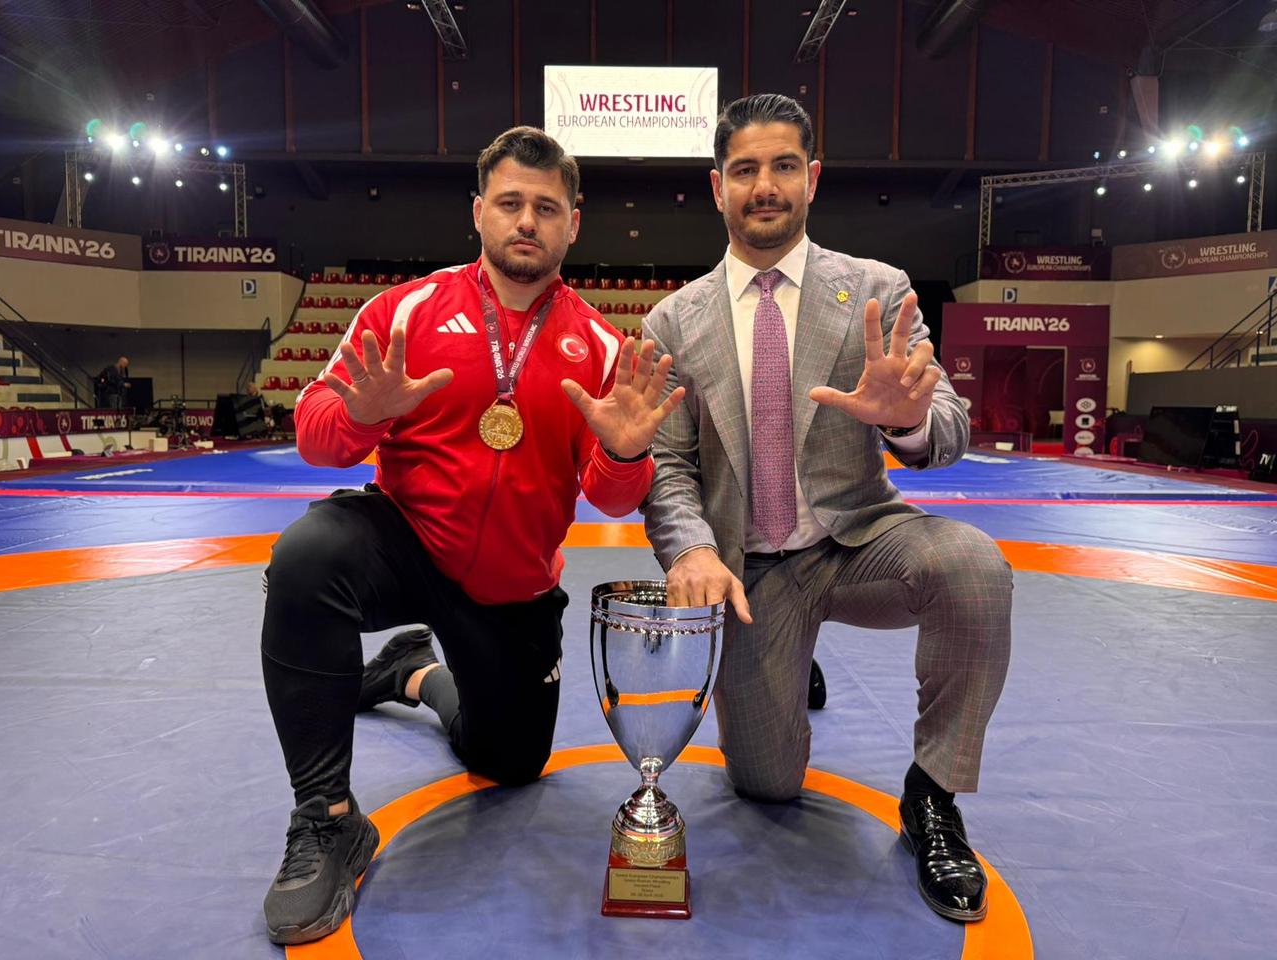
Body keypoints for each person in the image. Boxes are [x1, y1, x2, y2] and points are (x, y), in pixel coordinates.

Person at [259, 126, 684, 945]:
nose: (528, 221)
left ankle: (411, 674)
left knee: (510, 763)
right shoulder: (405, 311)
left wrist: (627, 451)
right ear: (479, 212)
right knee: (309, 557)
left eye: (547, 208)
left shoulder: (600, 346)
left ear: (573, 224)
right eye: (512, 203)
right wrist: (360, 413)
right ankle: (327, 819)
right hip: (407, 542)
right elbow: (314, 436)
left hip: (513, 586)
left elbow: (609, 493)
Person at [642, 94, 1013, 923]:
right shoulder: (675, 319)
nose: (763, 186)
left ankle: (934, 796)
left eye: (782, 166)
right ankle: (784, 657)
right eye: (744, 170)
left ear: (811, 178)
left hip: (859, 542)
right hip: (754, 570)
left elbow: (949, 425)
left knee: (974, 569)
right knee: (766, 783)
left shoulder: (878, 292)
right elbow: (667, 465)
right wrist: (690, 550)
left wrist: (907, 419)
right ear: (717, 187)